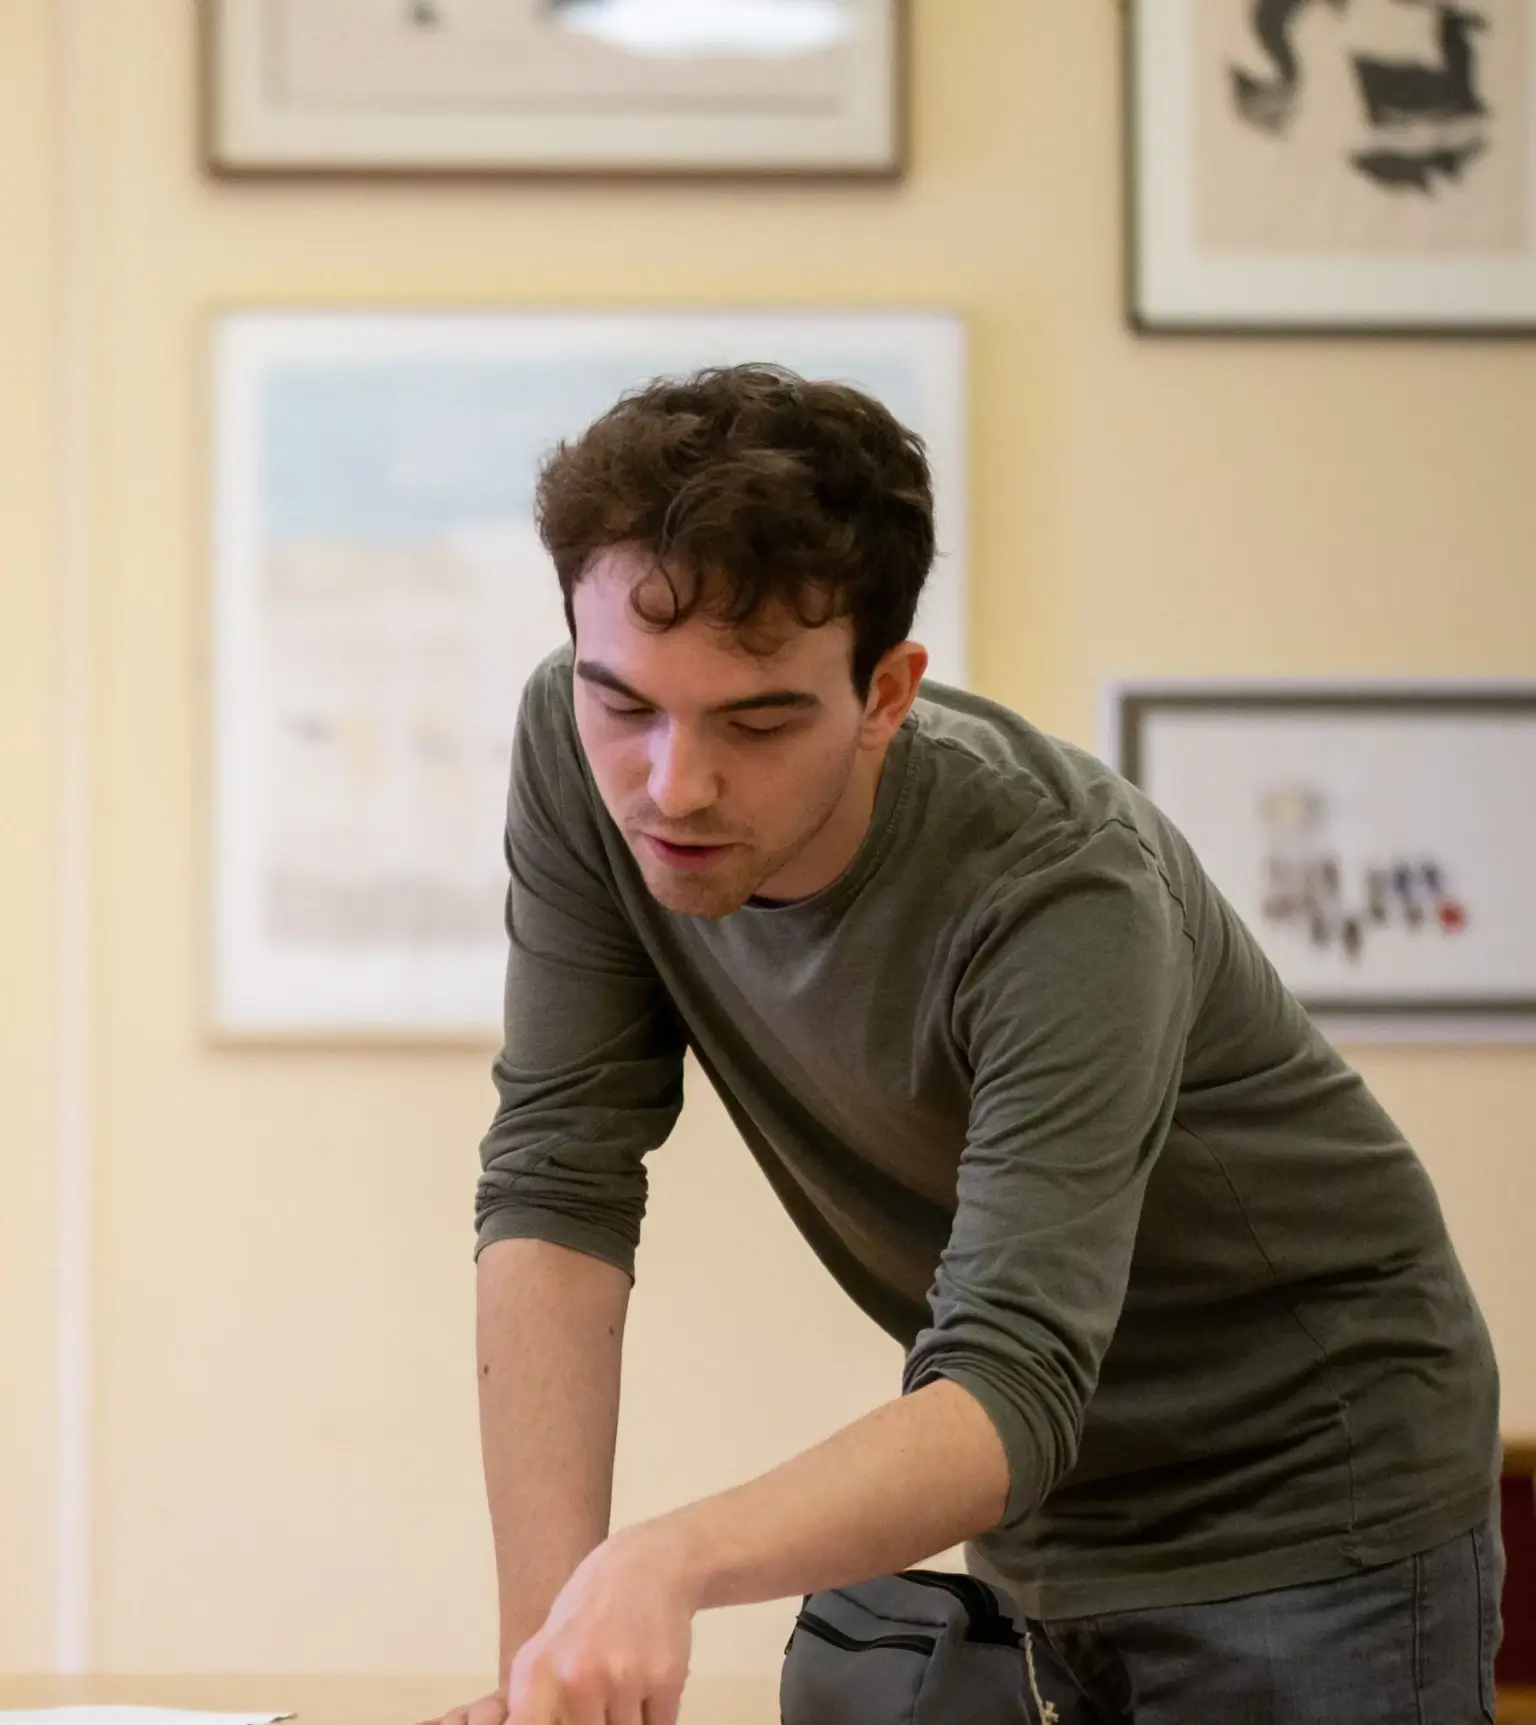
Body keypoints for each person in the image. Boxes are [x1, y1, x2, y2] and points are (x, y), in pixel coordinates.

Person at [424, 365, 1503, 1725]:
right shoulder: (577, 755)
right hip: (1042, 1491)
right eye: (626, 704)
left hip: (1311, 1478)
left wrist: (669, 1560)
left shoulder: (1063, 890)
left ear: (887, 691)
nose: (674, 785)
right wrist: (547, 1671)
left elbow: (1010, 1377)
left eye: (758, 720)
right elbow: (558, 1180)